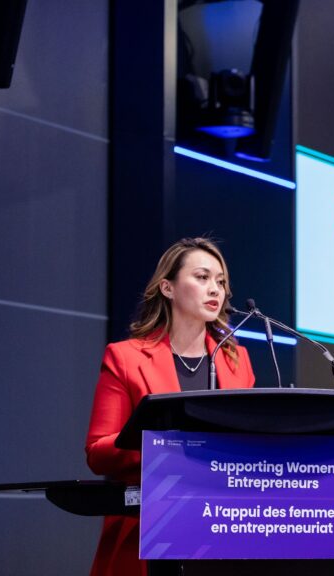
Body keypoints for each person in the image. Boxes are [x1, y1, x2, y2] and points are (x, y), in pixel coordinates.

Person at [84, 238, 256, 576]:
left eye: (221, 282)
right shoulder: (126, 358)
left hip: (222, 530)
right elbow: (98, 451)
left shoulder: (238, 360)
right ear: (168, 287)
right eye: (202, 277)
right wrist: (166, 449)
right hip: (148, 533)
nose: (215, 289)